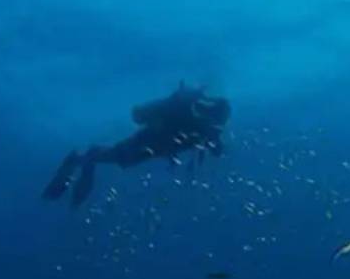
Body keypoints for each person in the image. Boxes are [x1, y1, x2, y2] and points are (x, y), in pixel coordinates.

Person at [42, 82, 231, 207]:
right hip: (146, 144)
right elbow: (213, 148)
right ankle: (83, 159)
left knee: (119, 157)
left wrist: (213, 137)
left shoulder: (200, 127)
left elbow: (216, 150)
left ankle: (84, 159)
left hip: (149, 147)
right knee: (119, 157)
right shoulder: (190, 118)